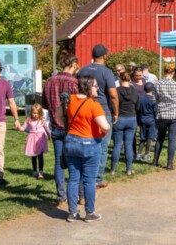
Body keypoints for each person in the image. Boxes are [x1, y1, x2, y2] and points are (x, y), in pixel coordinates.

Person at [63, 75, 110, 223]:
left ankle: (72, 213)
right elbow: (105, 126)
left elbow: (59, 116)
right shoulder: (93, 105)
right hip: (89, 143)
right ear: (88, 87)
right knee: (89, 180)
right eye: (95, 86)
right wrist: (104, 131)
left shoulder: (70, 100)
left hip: (71, 141)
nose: (97, 88)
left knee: (73, 179)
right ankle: (89, 212)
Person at [77, 44, 118, 190]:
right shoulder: (107, 72)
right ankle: (97, 178)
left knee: (86, 142)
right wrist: (116, 112)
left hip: (85, 109)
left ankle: (84, 176)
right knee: (103, 145)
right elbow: (113, 95)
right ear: (104, 56)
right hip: (103, 110)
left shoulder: (82, 70)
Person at [42, 51, 80, 207]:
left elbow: (44, 104)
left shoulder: (49, 81)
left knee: (59, 163)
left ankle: (61, 197)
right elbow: (79, 103)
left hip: (56, 127)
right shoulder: (74, 82)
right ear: (73, 66)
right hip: (72, 127)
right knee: (76, 163)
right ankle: (79, 195)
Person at [153, 64, 176, 170]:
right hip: (174, 114)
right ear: (172, 73)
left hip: (161, 113)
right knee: (172, 140)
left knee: (160, 138)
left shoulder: (157, 84)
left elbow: (154, 99)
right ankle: (170, 163)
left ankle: (155, 160)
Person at [110, 72, 140, 175]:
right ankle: (128, 169)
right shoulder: (134, 91)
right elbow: (138, 106)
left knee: (117, 145)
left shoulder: (117, 91)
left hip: (119, 118)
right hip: (131, 118)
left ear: (119, 79)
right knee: (129, 145)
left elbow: (112, 103)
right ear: (129, 80)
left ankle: (113, 169)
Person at [20, 103, 51, 179]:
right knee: (33, 155)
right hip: (32, 138)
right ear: (31, 113)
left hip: (40, 138)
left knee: (40, 155)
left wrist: (49, 135)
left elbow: (46, 128)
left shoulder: (42, 120)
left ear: (40, 113)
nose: (35, 115)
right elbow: (23, 128)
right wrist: (18, 128)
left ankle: (40, 171)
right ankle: (34, 170)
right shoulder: (29, 119)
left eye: (37, 113)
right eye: (34, 113)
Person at [137, 82, 157, 161]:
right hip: (151, 120)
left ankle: (139, 154)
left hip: (142, 119)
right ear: (152, 89)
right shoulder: (153, 99)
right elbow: (155, 111)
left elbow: (138, 109)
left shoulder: (140, 98)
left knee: (142, 137)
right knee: (150, 137)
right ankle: (146, 154)